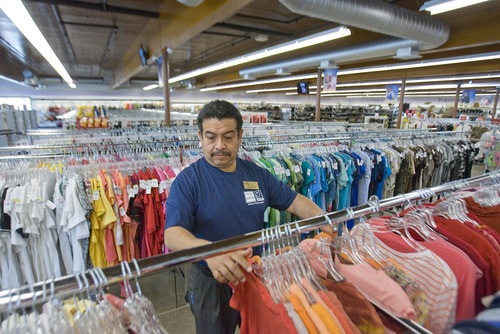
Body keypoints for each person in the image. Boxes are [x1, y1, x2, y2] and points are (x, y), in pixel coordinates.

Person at [164, 100, 325, 334]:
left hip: (253, 275)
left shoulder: (257, 174)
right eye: (211, 137)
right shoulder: (188, 181)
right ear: (200, 137)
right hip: (211, 281)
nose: (219, 146)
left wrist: (325, 220)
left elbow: (295, 201)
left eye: (228, 137)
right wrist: (211, 252)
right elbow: (173, 234)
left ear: (240, 135)